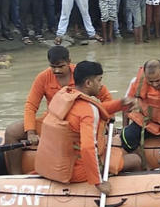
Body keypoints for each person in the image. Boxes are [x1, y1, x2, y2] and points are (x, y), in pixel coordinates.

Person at [3, 48, 126, 176]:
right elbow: (31, 105)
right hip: (53, 122)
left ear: (69, 62)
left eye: (61, 66)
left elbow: (105, 97)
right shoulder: (43, 77)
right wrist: (30, 132)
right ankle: (15, 176)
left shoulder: (82, 74)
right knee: (12, 131)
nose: (57, 71)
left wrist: (107, 122)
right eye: (53, 67)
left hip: (77, 122)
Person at [34, 60, 136, 192]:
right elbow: (88, 148)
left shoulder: (65, 95)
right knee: (135, 159)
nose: (101, 85)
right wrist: (98, 182)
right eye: (99, 80)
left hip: (56, 165)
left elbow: (95, 108)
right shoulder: (88, 111)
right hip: (76, 171)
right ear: (88, 83)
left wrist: (120, 104)